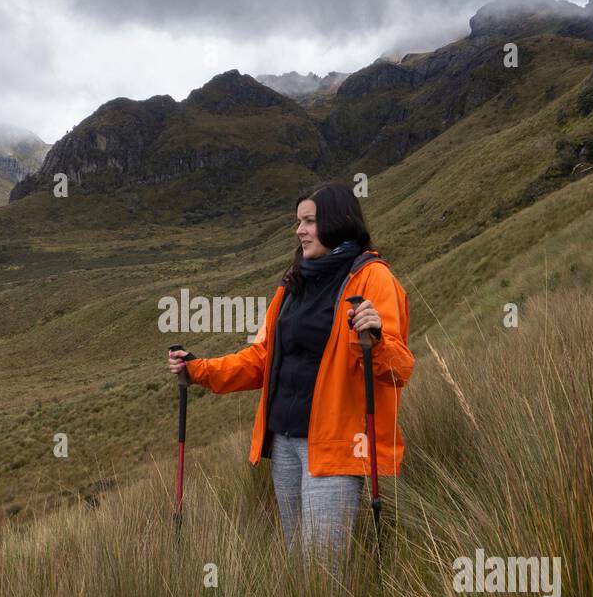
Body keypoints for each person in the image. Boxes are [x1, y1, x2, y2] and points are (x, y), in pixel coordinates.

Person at [166, 182, 415, 574]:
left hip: (336, 445)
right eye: (298, 221)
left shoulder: (373, 280)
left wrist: (375, 339)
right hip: (284, 441)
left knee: (323, 569)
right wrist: (201, 370)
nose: (300, 230)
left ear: (337, 223)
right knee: (298, 560)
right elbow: (263, 357)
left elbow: (399, 368)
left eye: (310, 221)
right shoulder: (293, 283)